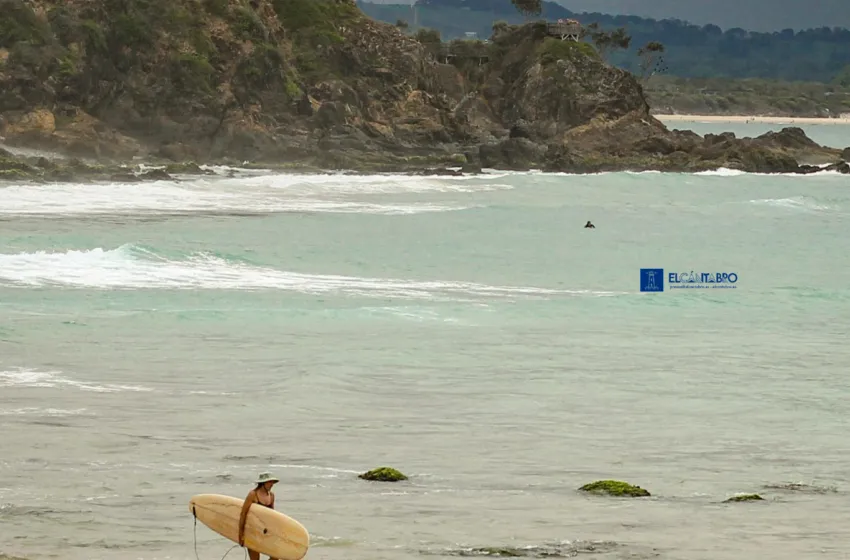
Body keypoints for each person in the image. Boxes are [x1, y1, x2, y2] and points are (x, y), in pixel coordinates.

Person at [238, 472, 280, 560]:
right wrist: (241, 534)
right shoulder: (253, 494)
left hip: (265, 531)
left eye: (272, 482)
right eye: (270, 482)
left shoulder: (271, 496)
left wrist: (275, 532)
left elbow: (272, 515)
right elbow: (243, 514)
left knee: (275, 557)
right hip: (252, 531)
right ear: (263, 483)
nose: (272, 484)